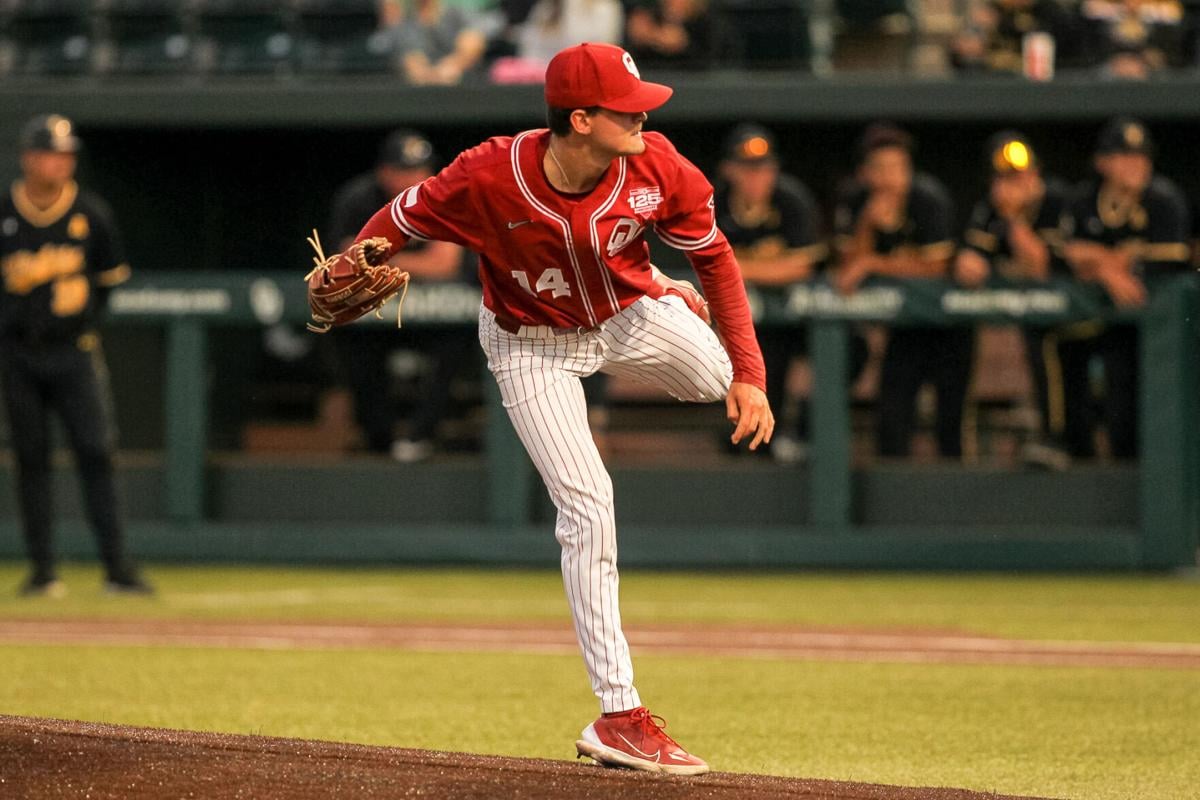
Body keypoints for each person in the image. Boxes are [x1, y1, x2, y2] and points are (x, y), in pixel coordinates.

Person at [337, 42, 772, 773]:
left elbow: (718, 261)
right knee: (589, 507)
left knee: (716, 375)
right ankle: (620, 716)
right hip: (529, 344)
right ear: (579, 119)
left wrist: (752, 375)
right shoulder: (486, 173)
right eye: (626, 108)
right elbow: (403, 214)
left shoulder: (659, 165)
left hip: (626, 312)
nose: (644, 115)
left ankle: (657, 287)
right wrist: (361, 254)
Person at [0, 114, 151, 597]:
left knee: (95, 452)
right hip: (18, 355)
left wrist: (82, 323)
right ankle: (43, 571)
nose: (61, 163)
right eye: (52, 153)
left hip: (74, 353)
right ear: (28, 158)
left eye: (67, 154)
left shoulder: (91, 212)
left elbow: (108, 285)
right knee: (31, 458)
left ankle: (117, 568)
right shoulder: (5, 211)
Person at [326, 130, 470, 460]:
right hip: (375, 313)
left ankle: (422, 436)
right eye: (405, 171)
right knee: (351, 340)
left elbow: (444, 265)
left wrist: (381, 256)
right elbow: (346, 260)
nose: (416, 179)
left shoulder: (441, 196)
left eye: (421, 170)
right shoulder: (359, 198)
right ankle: (378, 439)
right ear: (384, 172)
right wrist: (410, 263)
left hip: (435, 315)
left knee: (458, 342)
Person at [1059, 117, 1191, 459]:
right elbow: (1067, 257)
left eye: (1142, 156)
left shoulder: (1164, 201)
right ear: (1102, 162)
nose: (1137, 165)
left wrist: (1098, 260)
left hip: (1165, 330)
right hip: (1103, 324)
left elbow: (1168, 265)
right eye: (1125, 156)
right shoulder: (1084, 201)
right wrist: (1109, 267)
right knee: (1100, 397)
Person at [833, 123, 966, 459]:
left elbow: (938, 267)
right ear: (865, 173)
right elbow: (847, 270)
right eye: (883, 169)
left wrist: (875, 264)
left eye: (899, 168)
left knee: (951, 424)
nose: (892, 178)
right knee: (892, 418)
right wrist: (866, 224)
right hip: (905, 329)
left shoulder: (927, 198)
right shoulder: (857, 199)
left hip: (949, 324)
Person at [713, 123, 837, 462]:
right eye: (747, 169)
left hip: (798, 319)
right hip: (743, 323)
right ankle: (749, 442)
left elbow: (803, 266)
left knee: (838, 350)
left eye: (764, 169)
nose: (756, 177)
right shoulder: (714, 203)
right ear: (729, 170)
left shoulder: (791, 200)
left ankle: (797, 435)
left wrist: (739, 268)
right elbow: (700, 265)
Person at [954, 131, 1073, 469]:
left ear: (1036, 174)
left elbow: (1039, 266)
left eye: (1021, 175)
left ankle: (1056, 441)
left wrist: (1013, 220)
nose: (1015, 184)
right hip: (1030, 321)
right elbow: (969, 262)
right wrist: (971, 263)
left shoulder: (1056, 201)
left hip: (1077, 320)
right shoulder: (988, 209)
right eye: (1005, 178)